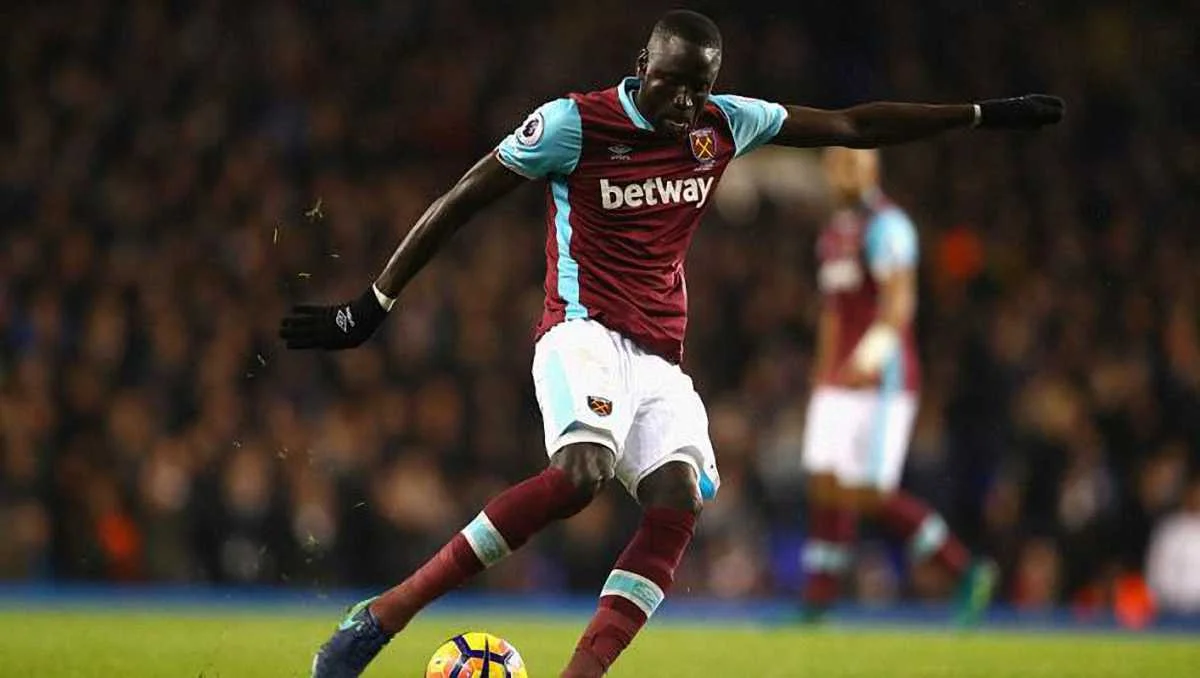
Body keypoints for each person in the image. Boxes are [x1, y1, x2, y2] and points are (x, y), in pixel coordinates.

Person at [279, 9, 1063, 677]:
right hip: (581, 332)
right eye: (673, 82)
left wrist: (980, 114)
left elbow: (854, 125)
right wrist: (371, 305)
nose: (687, 101)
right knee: (581, 475)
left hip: (659, 360)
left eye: (701, 86)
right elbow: (462, 198)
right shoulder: (574, 124)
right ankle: (384, 615)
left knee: (678, 500)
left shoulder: (724, 124)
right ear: (640, 67)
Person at [799, 147, 995, 624]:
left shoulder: (888, 225)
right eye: (835, 164)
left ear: (872, 168)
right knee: (824, 483)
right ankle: (818, 603)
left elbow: (899, 302)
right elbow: (833, 311)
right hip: (837, 380)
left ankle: (965, 568)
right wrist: (822, 373)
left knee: (870, 493)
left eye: (852, 163)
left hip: (880, 379)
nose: (842, 172)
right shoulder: (833, 233)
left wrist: (868, 359)